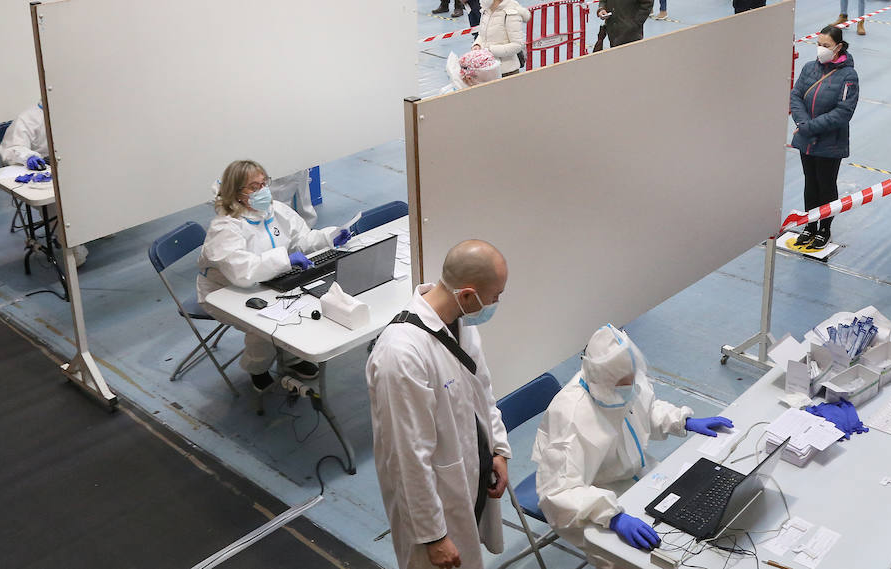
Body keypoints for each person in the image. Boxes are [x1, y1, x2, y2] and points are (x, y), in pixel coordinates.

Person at [366, 240, 512, 569]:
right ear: (467, 295)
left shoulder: (461, 325)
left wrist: (499, 451)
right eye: (495, 296)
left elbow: (483, 392)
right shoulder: (401, 355)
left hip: (470, 475)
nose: (496, 303)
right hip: (433, 509)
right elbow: (406, 456)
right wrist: (433, 536)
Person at [533, 325, 733, 551]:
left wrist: (681, 420)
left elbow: (645, 410)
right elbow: (559, 492)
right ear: (604, 381)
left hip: (637, 473)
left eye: (631, 379)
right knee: (636, 557)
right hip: (591, 502)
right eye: (623, 383)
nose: (630, 387)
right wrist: (612, 517)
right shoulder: (571, 416)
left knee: (690, 518)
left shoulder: (620, 381)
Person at [196, 160, 350, 391]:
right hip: (225, 292)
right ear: (236, 193)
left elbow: (301, 240)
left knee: (304, 307)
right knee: (265, 327)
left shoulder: (276, 210)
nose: (262, 191)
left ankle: (293, 358)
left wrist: (329, 238)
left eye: (263, 183)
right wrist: (285, 261)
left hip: (271, 281)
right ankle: (257, 369)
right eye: (253, 187)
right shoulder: (225, 227)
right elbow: (242, 272)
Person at [789, 25, 859, 250]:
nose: (821, 49)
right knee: (810, 183)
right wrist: (803, 124)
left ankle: (824, 228)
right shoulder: (809, 68)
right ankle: (810, 224)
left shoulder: (849, 76)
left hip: (830, 142)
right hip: (806, 140)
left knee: (826, 185)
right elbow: (796, 96)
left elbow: (843, 112)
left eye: (826, 46)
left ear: (838, 47)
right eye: (819, 44)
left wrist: (809, 127)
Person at [0, 102, 90, 264]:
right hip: (44, 174)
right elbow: (10, 148)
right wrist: (27, 157)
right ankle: (72, 246)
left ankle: (97, 228)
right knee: (57, 204)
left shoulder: (75, 111)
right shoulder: (28, 119)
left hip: (77, 167)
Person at [470, 0, 530, 75]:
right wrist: (477, 45)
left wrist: (489, 50)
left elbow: (517, 45)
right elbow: (482, 34)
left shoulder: (510, 13)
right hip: (488, 68)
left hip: (506, 71)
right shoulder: (486, 10)